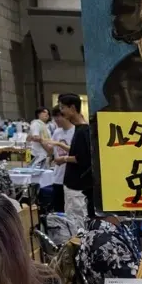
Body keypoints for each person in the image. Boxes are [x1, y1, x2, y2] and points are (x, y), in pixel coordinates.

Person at [56, 94, 95, 223]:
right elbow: (78, 151)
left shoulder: (83, 131)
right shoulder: (80, 129)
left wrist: (64, 159)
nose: (61, 112)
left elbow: (83, 158)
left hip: (77, 187)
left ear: (72, 108)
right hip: (75, 186)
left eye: (63, 107)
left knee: (76, 222)